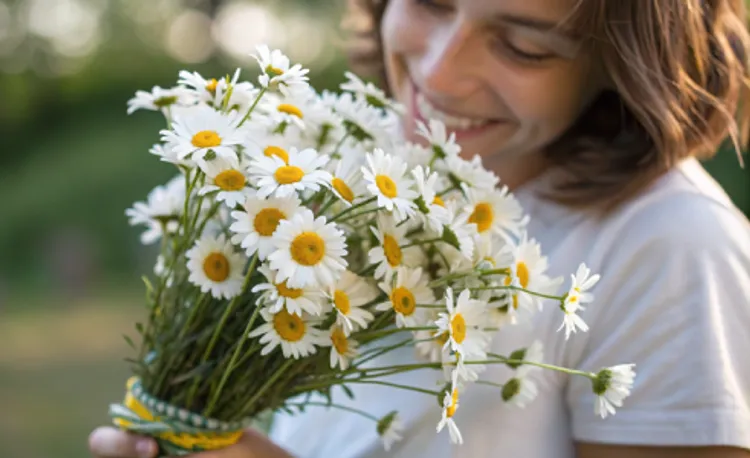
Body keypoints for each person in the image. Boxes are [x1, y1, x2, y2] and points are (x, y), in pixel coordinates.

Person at [89, 0, 750, 456]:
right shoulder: (375, 176)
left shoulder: (668, 244)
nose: (437, 72)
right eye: (431, 2)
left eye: (524, 47)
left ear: (624, 60)